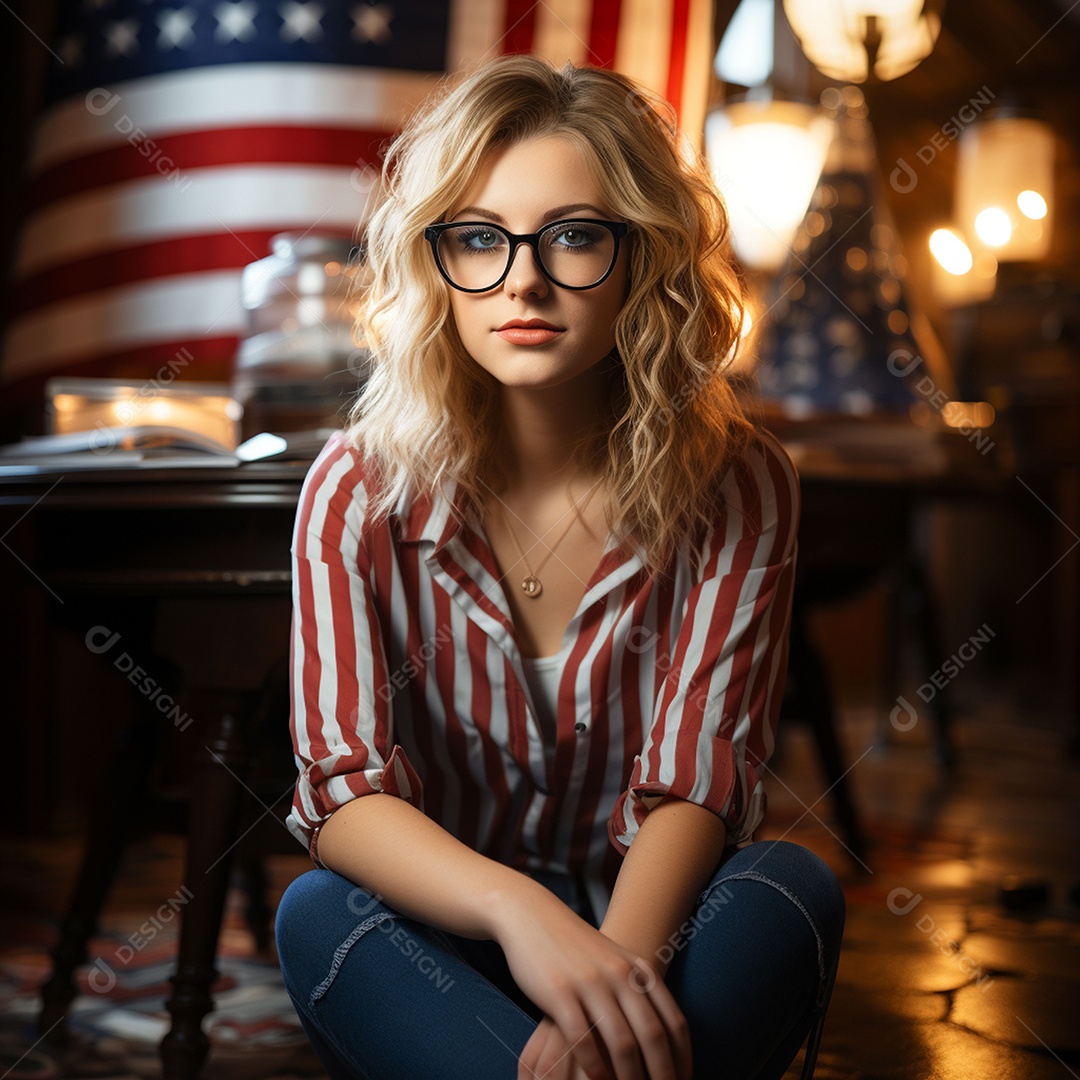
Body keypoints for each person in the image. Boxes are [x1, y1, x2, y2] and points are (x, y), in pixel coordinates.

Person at [275, 54, 845, 1080]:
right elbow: (343, 793)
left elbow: (698, 784)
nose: (523, 280)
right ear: (433, 259)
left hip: (655, 943)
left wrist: (609, 985)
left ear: (644, 257)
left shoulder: (740, 483)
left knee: (787, 888)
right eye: (479, 239)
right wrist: (518, 910)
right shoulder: (354, 490)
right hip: (446, 940)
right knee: (319, 910)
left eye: (576, 236)